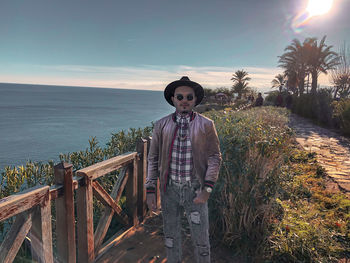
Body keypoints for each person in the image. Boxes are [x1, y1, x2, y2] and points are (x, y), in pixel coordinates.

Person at [145, 76, 222, 263]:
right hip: (169, 191)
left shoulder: (206, 124)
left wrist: (207, 190)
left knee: (201, 240)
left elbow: (215, 157)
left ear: (195, 100)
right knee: (171, 238)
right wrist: (150, 190)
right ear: (173, 99)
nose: (184, 100)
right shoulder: (161, 125)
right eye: (180, 97)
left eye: (189, 97)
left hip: (195, 189)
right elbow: (153, 158)